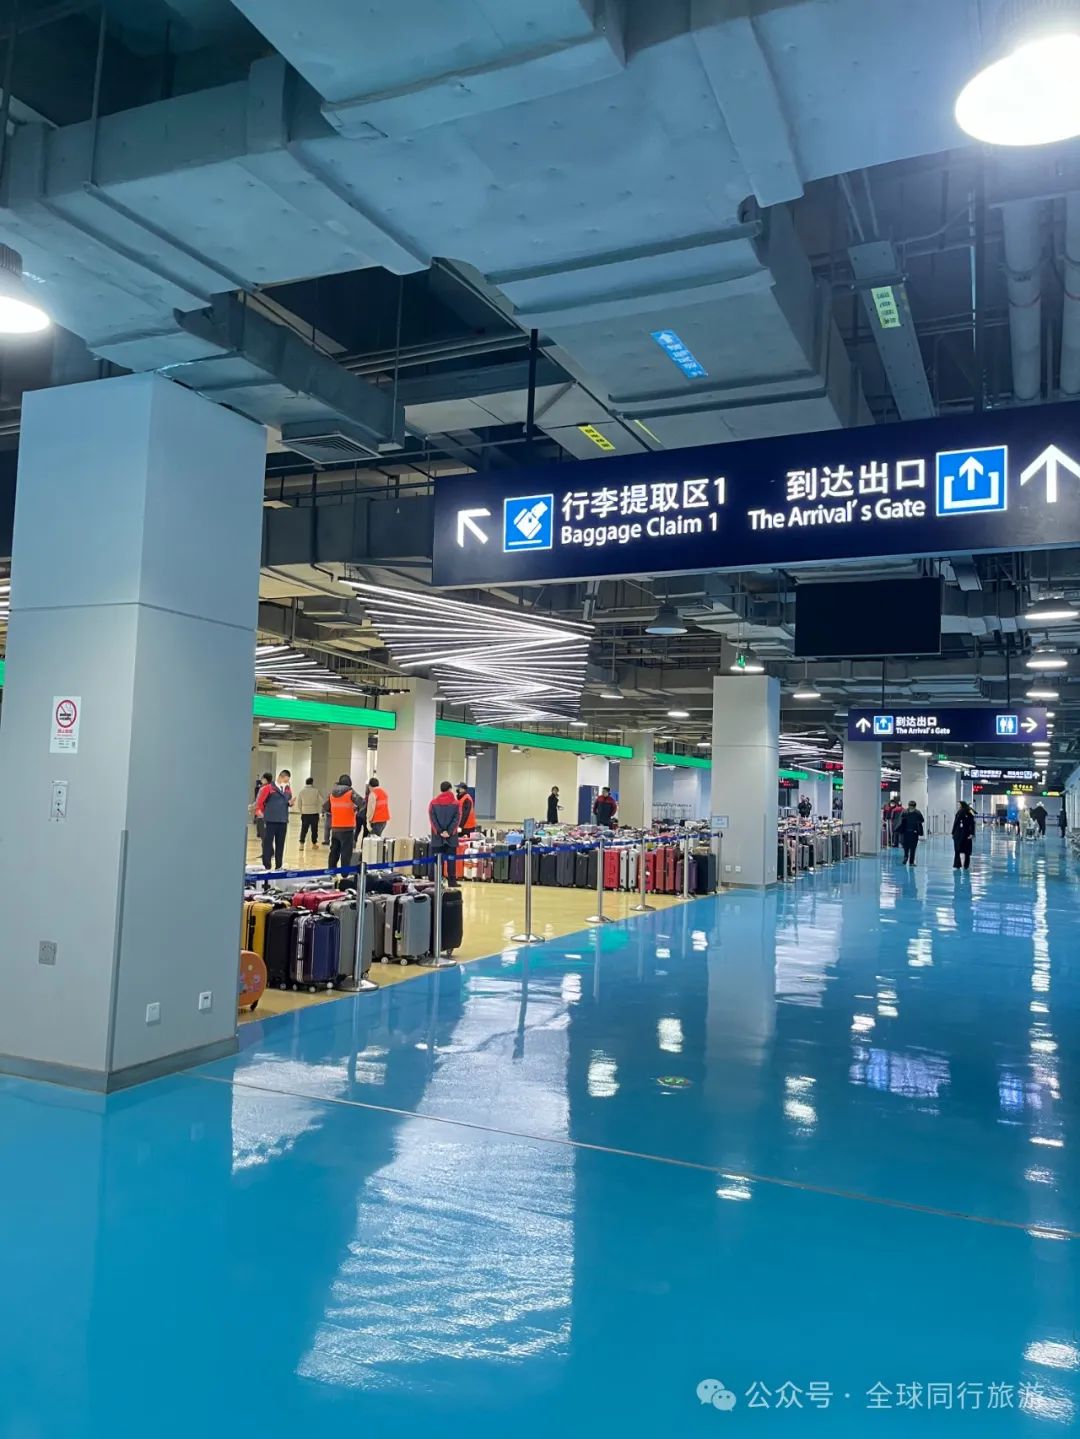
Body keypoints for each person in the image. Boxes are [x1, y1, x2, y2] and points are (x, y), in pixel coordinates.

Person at [323, 774, 364, 870]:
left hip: (335, 827)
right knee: (346, 853)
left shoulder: (332, 794)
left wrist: (335, 812)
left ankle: (331, 872)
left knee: (334, 851)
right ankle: (344, 874)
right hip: (347, 828)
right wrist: (356, 810)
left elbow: (325, 807)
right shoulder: (350, 792)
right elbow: (362, 802)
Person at [254, 771, 290, 870]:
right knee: (267, 843)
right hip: (270, 820)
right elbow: (260, 802)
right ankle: (266, 866)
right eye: (285, 780)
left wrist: (290, 803)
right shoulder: (268, 788)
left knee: (280, 844)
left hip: (282, 820)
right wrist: (260, 812)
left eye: (287, 781)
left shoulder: (287, 789)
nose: (286, 783)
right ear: (281, 777)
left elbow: (287, 800)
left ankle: (279, 866)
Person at [429, 780, 462, 887]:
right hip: (451, 837)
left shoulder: (433, 803)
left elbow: (432, 819)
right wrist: (449, 832)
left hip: (437, 837)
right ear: (450, 789)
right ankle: (452, 882)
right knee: (451, 860)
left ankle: (436, 882)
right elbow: (457, 819)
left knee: (437, 861)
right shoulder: (456, 803)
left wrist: (439, 831)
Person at [296, 777, 323, 846]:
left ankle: (301, 843)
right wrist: (319, 810)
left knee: (304, 829)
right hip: (314, 812)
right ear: (312, 783)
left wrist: (301, 811)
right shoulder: (316, 791)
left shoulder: (302, 791)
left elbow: (299, 803)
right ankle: (314, 843)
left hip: (305, 813)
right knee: (314, 829)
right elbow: (321, 801)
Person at [897, 799, 924, 866]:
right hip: (906, 832)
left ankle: (910, 861)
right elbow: (900, 820)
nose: (911, 808)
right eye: (910, 806)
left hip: (914, 832)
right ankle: (906, 858)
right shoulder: (905, 812)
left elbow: (922, 820)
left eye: (912, 807)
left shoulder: (917, 813)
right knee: (906, 847)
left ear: (914, 807)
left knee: (912, 847)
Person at [951, 799, 976, 870]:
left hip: (962, 833)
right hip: (962, 833)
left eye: (959, 805)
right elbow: (956, 823)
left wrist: (972, 833)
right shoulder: (961, 812)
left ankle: (961, 865)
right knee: (962, 850)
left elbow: (972, 823)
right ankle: (961, 865)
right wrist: (953, 832)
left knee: (962, 850)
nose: (958, 806)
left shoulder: (966, 812)